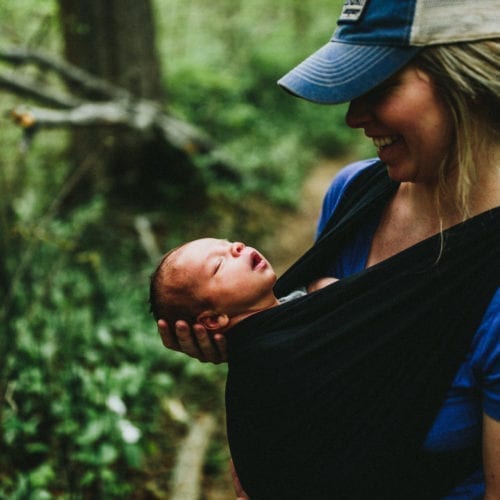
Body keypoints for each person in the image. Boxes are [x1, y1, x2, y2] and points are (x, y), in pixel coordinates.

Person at [158, 0, 500, 497]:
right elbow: (324, 360)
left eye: (378, 87)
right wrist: (257, 342)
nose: (353, 116)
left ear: (465, 81)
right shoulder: (355, 194)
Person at [149, 237, 337, 335]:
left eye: (228, 244)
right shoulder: (267, 354)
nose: (237, 246)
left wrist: (320, 286)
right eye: (218, 265)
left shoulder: (292, 300)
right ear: (214, 319)